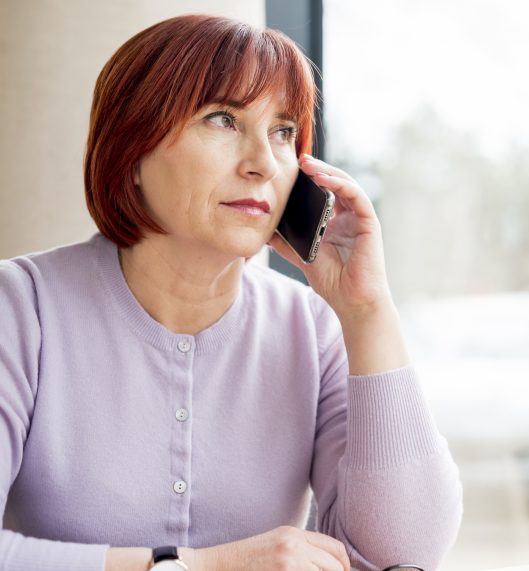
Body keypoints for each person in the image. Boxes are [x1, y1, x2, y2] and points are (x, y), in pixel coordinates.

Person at [0, 14, 462, 571]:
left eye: (284, 131)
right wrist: (197, 567)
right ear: (132, 150)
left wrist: (366, 311)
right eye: (222, 119)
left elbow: (399, 556)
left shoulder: (311, 327)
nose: (264, 163)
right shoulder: (20, 308)